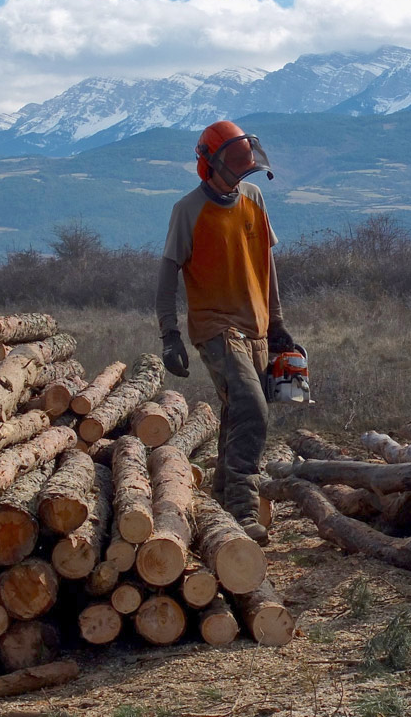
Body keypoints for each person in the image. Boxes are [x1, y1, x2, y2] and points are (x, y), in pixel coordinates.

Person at [155, 120, 299, 544]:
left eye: (245, 170)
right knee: (253, 408)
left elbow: (267, 265)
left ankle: (216, 506)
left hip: (255, 327)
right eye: (234, 170)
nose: (240, 178)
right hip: (216, 328)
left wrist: (277, 324)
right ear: (208, 166)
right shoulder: (188, 210)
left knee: (237, 413)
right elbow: (167, 275)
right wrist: (170, 335)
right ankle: (242, 509)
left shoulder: (253, 199)